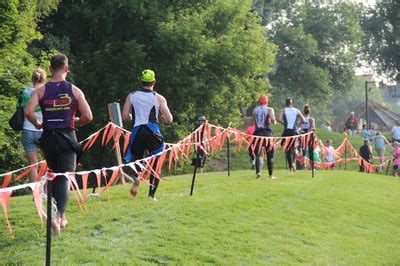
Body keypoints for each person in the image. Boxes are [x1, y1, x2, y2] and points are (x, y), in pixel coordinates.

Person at [25, 53, 93, 236]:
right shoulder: (75, 90)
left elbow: (28, 110)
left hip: (48, 139)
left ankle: (60, 217)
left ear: (50, 69)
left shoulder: (40, 91)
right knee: (64, 177)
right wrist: (76, 121)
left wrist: (37, 124)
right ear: (66, 69)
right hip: (67, 138)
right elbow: (88, 116)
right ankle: (58, 216)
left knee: (55, 176)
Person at [122, 69, 173, 201]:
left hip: (137, 131)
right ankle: (152, 195)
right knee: (156, 164)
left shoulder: (131, 96)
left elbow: (124, 116)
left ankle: (137, 177)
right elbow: (169, 119)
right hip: (153, 131)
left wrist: (131, 116)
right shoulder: (159, 97)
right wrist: (162, 117)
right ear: (154, 82)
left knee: (136, 159)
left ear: (141, 82)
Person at [20, 68, 47, 182]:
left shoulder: (25, 92)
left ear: (32, 79)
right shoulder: (46, 92)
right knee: (50, 162)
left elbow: (20, 109)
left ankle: (35, 194)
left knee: (33, 165)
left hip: (28, 130)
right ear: (44, 79)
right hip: (44, 131)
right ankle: (48, 190)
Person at [251, 95, 276, 179]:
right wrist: (274, 121)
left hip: (257, 134)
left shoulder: (255, 110)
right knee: (270, 155)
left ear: (259, 102)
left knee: (258, 154)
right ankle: (270, 175)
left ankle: (258, 172)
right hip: (267, 134)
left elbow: (252, 121)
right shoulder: (269, 109)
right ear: (267, 101)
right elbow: (273, 120)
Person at [278, 97, 305, 171]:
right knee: (293, 148)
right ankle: (293, 163)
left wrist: (284, 123)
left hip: (286, 131)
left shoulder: (283, 110)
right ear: (292, 103)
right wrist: (296, 124)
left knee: (287, 149)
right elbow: (303, 120)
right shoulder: (297, 110)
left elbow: (279, 119)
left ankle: (291, 166)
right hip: (294, 131)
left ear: (286, 103)